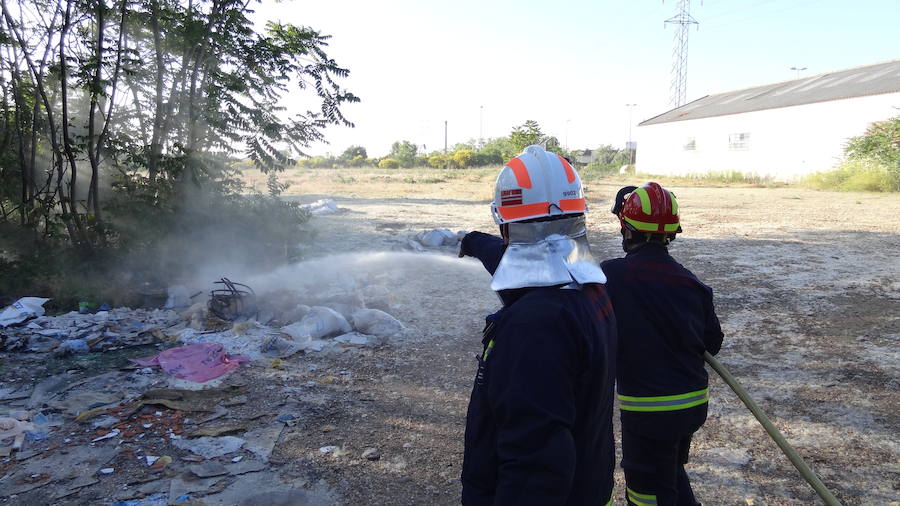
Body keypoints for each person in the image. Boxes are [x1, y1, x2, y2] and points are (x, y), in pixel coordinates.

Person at [457, 145, 617, 506]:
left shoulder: (534, 326)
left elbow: (535, 467)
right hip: (589, 484)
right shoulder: (591, 290)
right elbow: (528, 256)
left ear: (506, 223)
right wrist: (473, 242)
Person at [602, 182, 724, 506]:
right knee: (667, 474)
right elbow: (713, 342)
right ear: (672, 232)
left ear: (627, 229)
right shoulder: (692, 282)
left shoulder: (613, 276)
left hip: (650, 413)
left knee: (647, 494)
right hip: (692, 406)